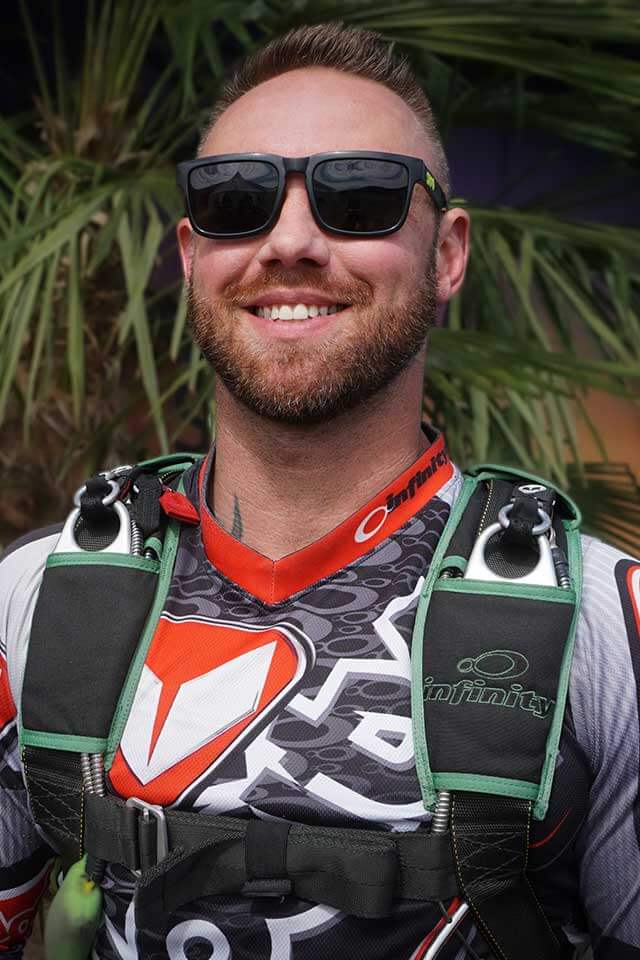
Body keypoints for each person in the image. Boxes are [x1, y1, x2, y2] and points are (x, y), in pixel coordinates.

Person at [1, 21, 639, 960]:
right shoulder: (33, 600)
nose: (290, 240)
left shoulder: (599, 627)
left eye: (364, 197)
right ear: (190, 255)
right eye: (235, 201)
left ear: (449, 252)